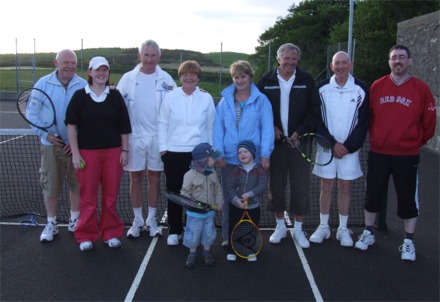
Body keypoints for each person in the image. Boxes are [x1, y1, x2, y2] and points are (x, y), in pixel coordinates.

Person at [354, 44, 436, 261]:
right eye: (394, 58)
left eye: (402, 57)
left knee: (408, 198)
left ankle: (408, 241)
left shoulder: (421, 89)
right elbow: (368, 117)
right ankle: (368, 233)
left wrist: (415, 141)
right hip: (380, 152)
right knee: (373, 194)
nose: (398, 61)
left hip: (407, 155)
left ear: (409, 61)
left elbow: (429, 123)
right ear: (389, 61)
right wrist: (378, 136)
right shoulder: (378, 86)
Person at [257, 43, 320, 248]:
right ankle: (280, 226)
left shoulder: (306, 80)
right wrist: (272, 127)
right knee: (275, 186)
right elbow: (258, 109)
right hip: (275, 144)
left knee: (301, 186)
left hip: (299, 143)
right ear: (279, 59)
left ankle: (299, 230)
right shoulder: (266, 81)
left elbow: (314, 110)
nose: (290, 62)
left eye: (294, 59)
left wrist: (298, 132)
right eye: (287, 58)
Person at [66, 56, 132, 251]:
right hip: (88, 154)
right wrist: (76, 154)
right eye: (97, 70)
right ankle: (86, 234)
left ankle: (110, 233)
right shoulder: (79, 96)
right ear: (90, 72)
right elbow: (71, 126)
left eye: (105, 70)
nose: (101, 74)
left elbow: (124, 127)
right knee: (88, 197)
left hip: (113, 153)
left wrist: (125, 150)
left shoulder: (115, 96)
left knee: (111, 196)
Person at [117, 40, 177, 238]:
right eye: (147, 55)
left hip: (158, 139)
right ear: (139, 56)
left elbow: (175, 109)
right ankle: (137, 220)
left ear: (159, 57)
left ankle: (151, 220)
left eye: (153, 55)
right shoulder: (127, 79)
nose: (150, 59)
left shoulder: (167, 80)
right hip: (134, 138)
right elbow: (118, 109)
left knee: (154, 177)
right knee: (135, 178)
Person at [309, 51, 369, 247]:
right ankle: (324, 226)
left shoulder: (360, 89)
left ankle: (343, 228)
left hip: (349, 151)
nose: (341, 66)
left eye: (344, 63)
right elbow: (316, 120)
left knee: (345, 187)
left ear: (350, 64)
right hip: (327, 148)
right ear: (331, 67)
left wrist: (348, 147)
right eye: (337, 63)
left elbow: (363, 123)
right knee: (326, 186)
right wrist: (332, 143)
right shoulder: (322, 88)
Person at [26, 49, 87, 242]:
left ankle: (74, 220)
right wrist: (47, 134)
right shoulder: (43, 84)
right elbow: (32, 114)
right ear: (56, 63)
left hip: (75, 148)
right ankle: (51, 223)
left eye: (73, 63)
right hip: (50, 146)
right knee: (51, 187)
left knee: (76, 185)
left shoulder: (83, 85)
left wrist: (76, 140)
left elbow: (89, 117)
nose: (69, 66)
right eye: (65, 62)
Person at [213, 60, 274, 247]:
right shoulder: (224, 101)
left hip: (252, 162)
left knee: (251, 198)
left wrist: (265, 154)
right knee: (229, 199)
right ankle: (228, 238)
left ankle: (248, 238)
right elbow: (217, 128)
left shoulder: (261, 100)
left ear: (250, 77)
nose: (240, 80)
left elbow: (267, 129)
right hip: (229, 160)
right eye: (236, 77)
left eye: (243, 76)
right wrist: (218, 153)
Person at [158, 60, 216, 246]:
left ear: (198, 77)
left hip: (198, 155)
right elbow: (163, 123)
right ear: (180, 76)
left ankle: (194, 230)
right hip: (173, 153)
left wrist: (210, 154)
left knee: (198, 194)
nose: (189, 77)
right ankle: (175, 230)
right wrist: (163, 149)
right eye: (185, 74)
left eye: (193, 74)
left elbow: (210, 126)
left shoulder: (206, 98)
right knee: (175, 192)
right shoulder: (170, 96)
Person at [180, 143, 224, 268]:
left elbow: (218, 190)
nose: (215, 160)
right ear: (203, 161)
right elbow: (184, 193)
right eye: (212, 158)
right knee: (193, 233)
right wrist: (192, 204)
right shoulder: (189, 175)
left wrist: (219, 202)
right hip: (194, 215)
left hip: (209, 214)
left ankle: (206, 252)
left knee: (208, 233)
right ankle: (192, 254)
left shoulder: (213, 173)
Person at [226, 140, 268, 261]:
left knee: (251, 228)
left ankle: (250, 250)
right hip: (236, 206)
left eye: (245, 151)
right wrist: (235, 199)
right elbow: (230, 187)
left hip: (253, 207)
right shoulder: (236, 170)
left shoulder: (260, 169)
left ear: (253, 154)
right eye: (239, 152)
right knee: (233, 227)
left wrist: (250, 194)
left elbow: (263, 185)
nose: (242, 154)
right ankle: (231, 249)